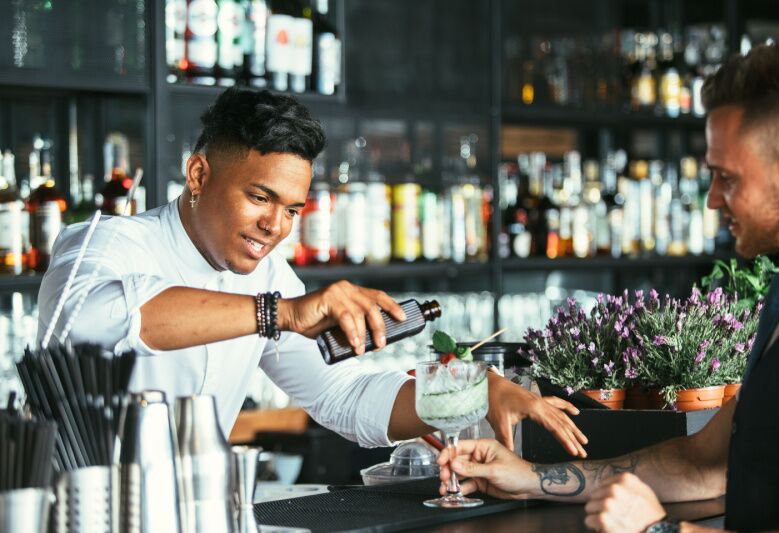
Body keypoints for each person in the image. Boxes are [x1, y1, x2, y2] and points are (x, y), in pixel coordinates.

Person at [37, 87, 588, 456]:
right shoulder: (104, 241)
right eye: (259, 197)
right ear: (199, 175)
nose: (275, 226)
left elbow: (340, 397)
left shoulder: (268, 271)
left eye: (292, 210)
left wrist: (470, 396)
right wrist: (279, 313)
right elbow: (93, 319)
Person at [435, 41, 779, 533]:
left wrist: (660, 530)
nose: (712, 199)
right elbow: (704, 465)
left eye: (726, 178)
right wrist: (528, 478)